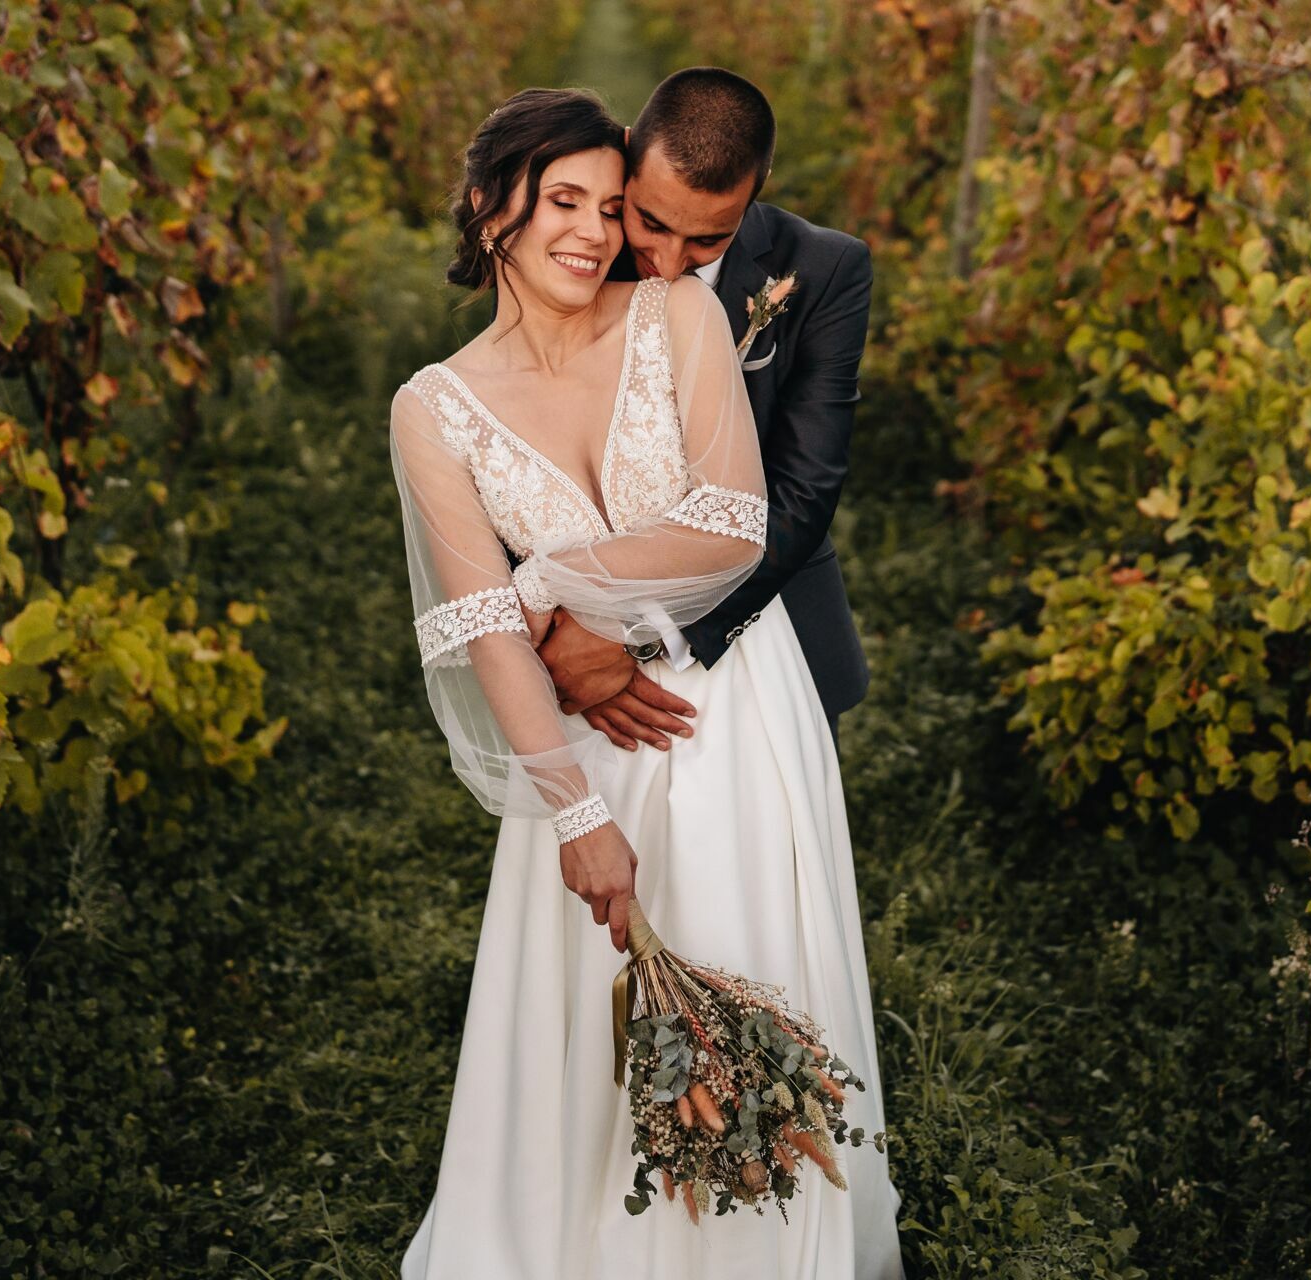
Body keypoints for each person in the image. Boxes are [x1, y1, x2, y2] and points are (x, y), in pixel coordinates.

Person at [392, 86, 902, 1279]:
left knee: (748, 937)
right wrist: (574, 812)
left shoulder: (679, 312)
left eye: (606, 205)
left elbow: (737, 523)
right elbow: (485, 632)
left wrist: (548, 587)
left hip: (730, 704)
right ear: (492, 209)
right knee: (586, 1002)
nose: (600, 232)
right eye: (565, 202)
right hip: (577, 732)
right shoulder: (432, 406)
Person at [535, 67, 873, 758]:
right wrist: (566, 631)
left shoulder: (827, 269)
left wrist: (638, 634)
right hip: (576, 639)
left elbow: (804, 490)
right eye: (651, 222)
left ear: (757, 191)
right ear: (628, 153)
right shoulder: (572, 253)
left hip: (766, 621)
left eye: (706, 242)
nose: (665, 264)